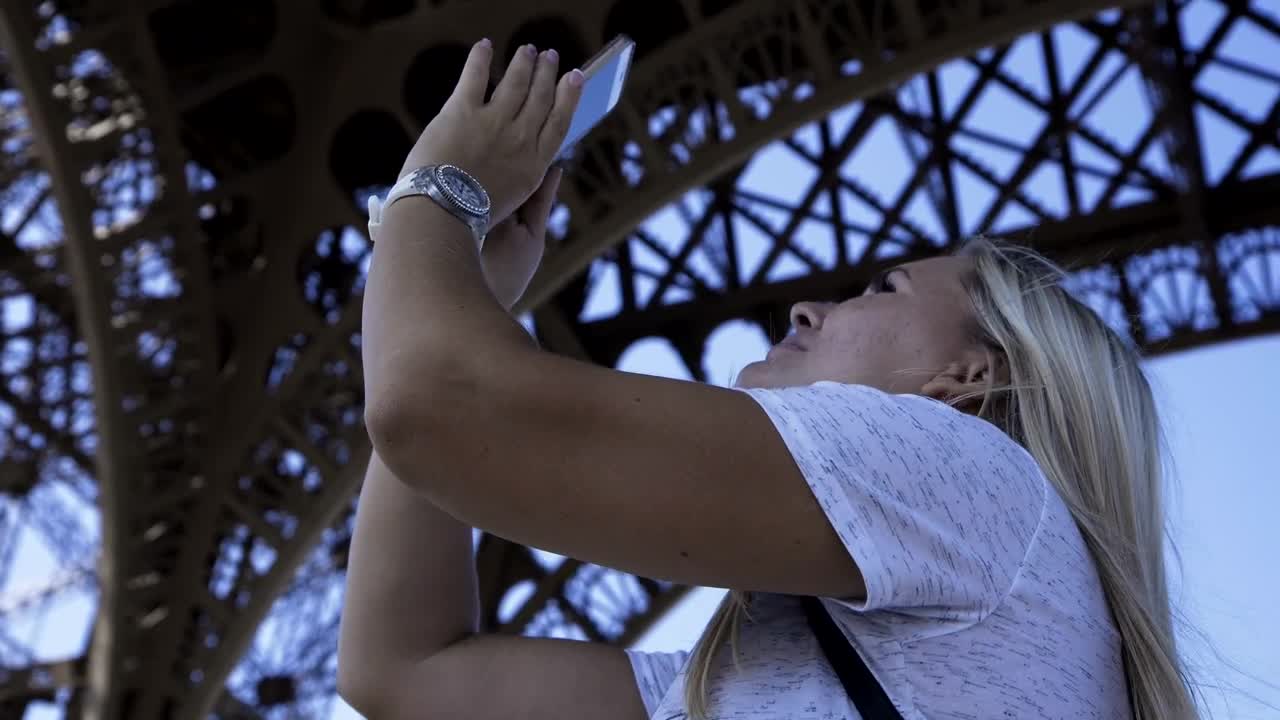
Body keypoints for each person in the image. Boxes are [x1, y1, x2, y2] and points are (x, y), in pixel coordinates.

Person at [336, 38, 1200, 720]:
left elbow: (437, 406)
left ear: (968, 376)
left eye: (882, 287)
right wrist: (472, 288)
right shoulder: (740, 676)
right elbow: (402, 672)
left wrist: (437, 193)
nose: (806, 310)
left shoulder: (978, 480)